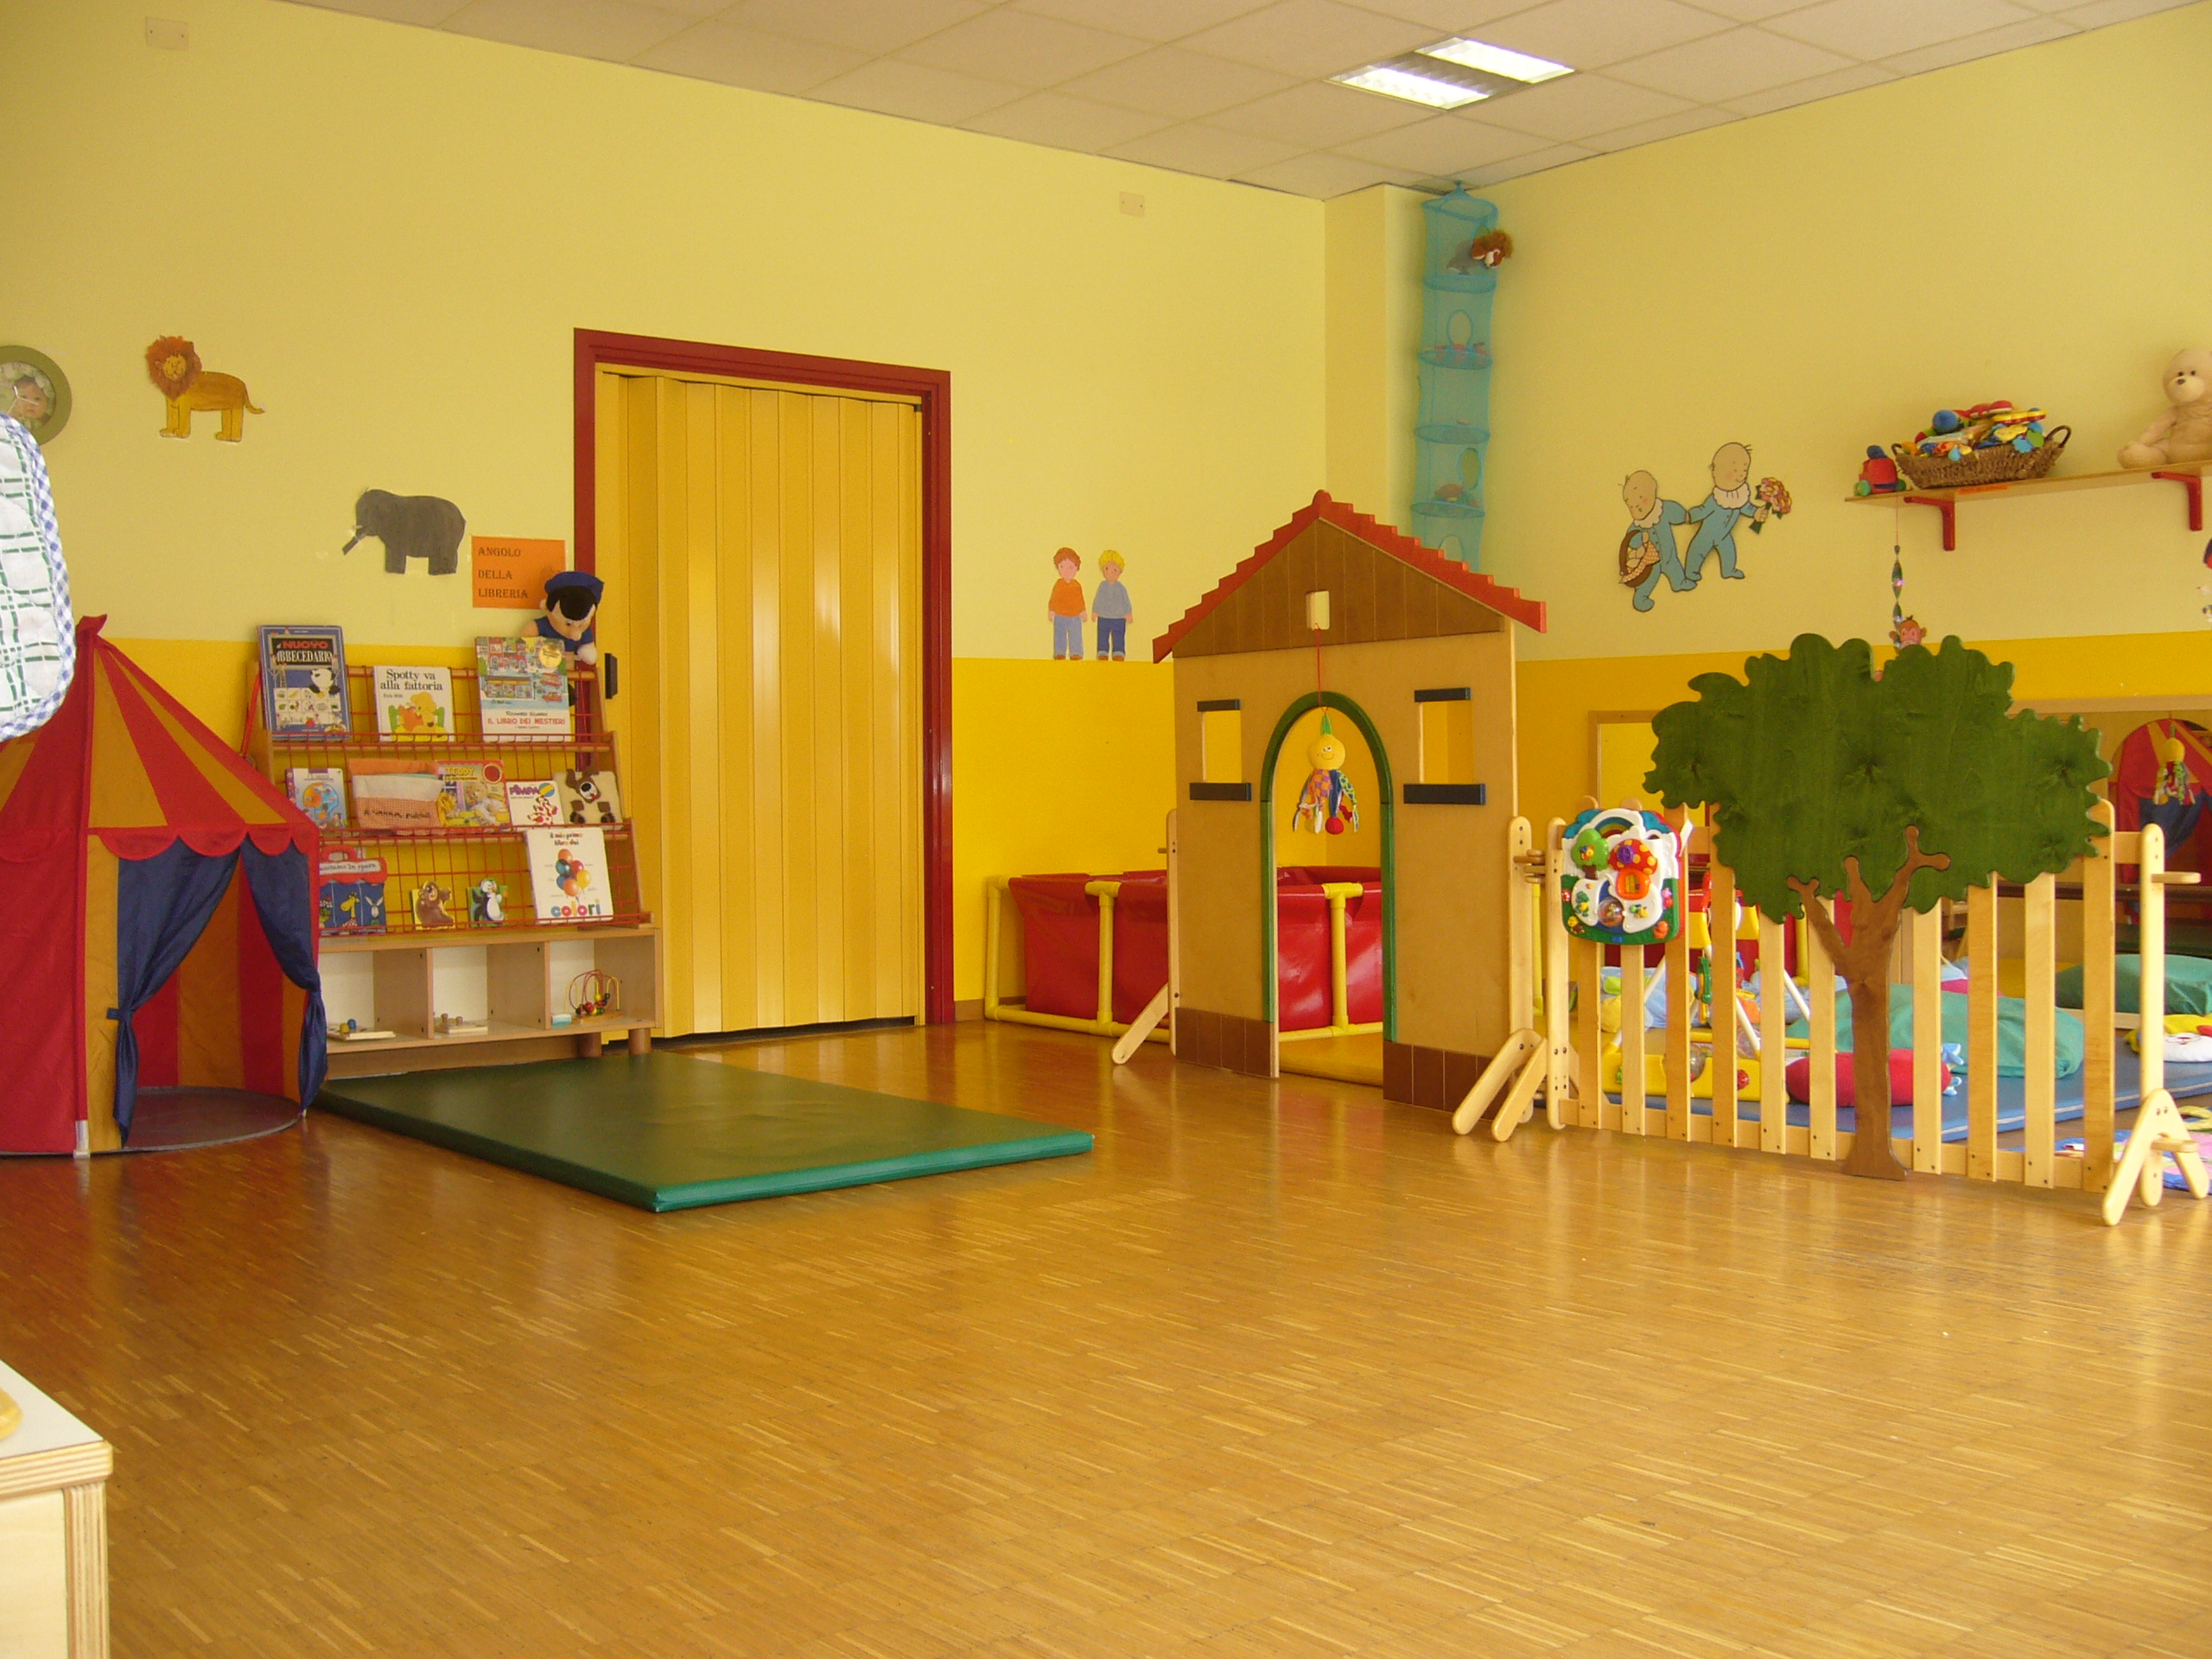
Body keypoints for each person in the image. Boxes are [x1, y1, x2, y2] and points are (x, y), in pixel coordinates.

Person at [1091, 552, 1133, 660]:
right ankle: (1102, 651)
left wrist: (1128, 612)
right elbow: (1098, 599)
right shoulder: (1102, 586)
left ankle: (1118, 652)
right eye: (1107, 569)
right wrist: (1095, 611)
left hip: (1119, 617)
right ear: (1103, 570)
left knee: (1119, 635)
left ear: (1120, 572)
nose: (1111, 573)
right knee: (1103, 634)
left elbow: (1126, 600)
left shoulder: (1121, 588)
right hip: (1104, 616)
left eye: (1115, 570)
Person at [1046, 549, 1085, 660]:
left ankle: (1076, 652)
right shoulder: (1059, 584)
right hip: (1060, 615)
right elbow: (1054, 598)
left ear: (1077, 568)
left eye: (1071, 567)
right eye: (1062, 567)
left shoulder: (1077, 585)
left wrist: (1082, 611)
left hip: (1074, 616)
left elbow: (1080, 599)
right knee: (1059, 634)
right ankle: (1060, 653)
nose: (1066, 571)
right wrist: (1052, 610)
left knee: (1076, 634)